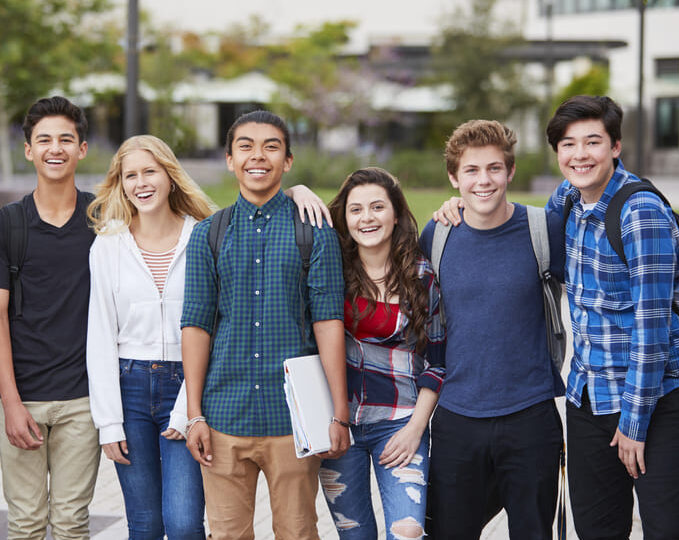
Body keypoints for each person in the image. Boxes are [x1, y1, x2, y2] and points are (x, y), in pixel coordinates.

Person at [180, 110, 349, 540]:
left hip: (293, 421)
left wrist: (339, 412)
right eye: (246, 147)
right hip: (223, 417)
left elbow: (329, 322)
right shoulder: (208, 235)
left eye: (271, 147)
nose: (258, 156)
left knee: (297, 532)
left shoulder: (314, 233)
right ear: (230, 160)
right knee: (227, 534)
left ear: (287, 161)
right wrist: (194, 415)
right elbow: (196, 326)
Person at [545, 95, 679, 538]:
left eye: (593, 142)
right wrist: (458, 209)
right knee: (597, 530)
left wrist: (634, 423)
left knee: (667, 530)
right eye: (568, 144)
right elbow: (522, 230)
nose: (580, 155)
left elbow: (653, 329)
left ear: (615, 146)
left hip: (657, 398)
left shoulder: (640, 214)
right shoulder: (568, 199)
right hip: (589, 395)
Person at [421, 119, 566, 538]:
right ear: (454, 177)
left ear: (510, 171)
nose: (483, 180)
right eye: (471, 170)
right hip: (456, 417)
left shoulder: (544, 229)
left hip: (530, 415)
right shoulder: (437, 234)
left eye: (494, 168)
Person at [0, 96, 100, 540]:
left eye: (65, 139)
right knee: (26, 523)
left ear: (81, 149)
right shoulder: (6, 225)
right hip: (22, 396)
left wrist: (293, 192)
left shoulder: (103, 219)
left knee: (72, 524)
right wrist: (10, 403)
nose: (55, 148)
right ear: (29, 150)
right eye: (44, 139)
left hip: (83, 399)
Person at [85, 135, 215, 539]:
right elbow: (100, 335)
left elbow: (214, 327)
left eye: (150, 172)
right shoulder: (108, 244)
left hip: (187, 386)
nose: (140, 183)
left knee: (184, 524)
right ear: (120, 183)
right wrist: (109, 423)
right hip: (129, 389)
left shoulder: (203, 238)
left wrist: (188, 408)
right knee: (144, 525)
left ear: (170, 176)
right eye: (130, 175)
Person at [317, 167, 445, 539]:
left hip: (400, 420)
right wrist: (298, 191)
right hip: (339, 423)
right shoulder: (331, 270)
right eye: (356, 209)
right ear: (344, 218)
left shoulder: (421, 276)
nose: (367, 218)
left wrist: (415, 429)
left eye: (377, 207)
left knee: (408, 531)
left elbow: (437, 361)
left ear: (396, 214)